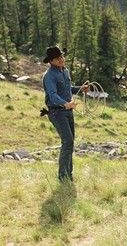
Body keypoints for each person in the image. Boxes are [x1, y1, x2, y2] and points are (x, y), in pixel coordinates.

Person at [42, 46, 88, 182]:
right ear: (51, 61)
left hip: (68, 112)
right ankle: (63, 177)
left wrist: (81, 88)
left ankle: (69, 175)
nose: (62, 60)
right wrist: (65, 104)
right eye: (58, 58)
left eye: (62, 56)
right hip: (57, 112)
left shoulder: (65, 71)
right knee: (67, 141)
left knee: (70, 143)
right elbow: (52, 95)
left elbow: (69, 89)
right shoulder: (49, 76)